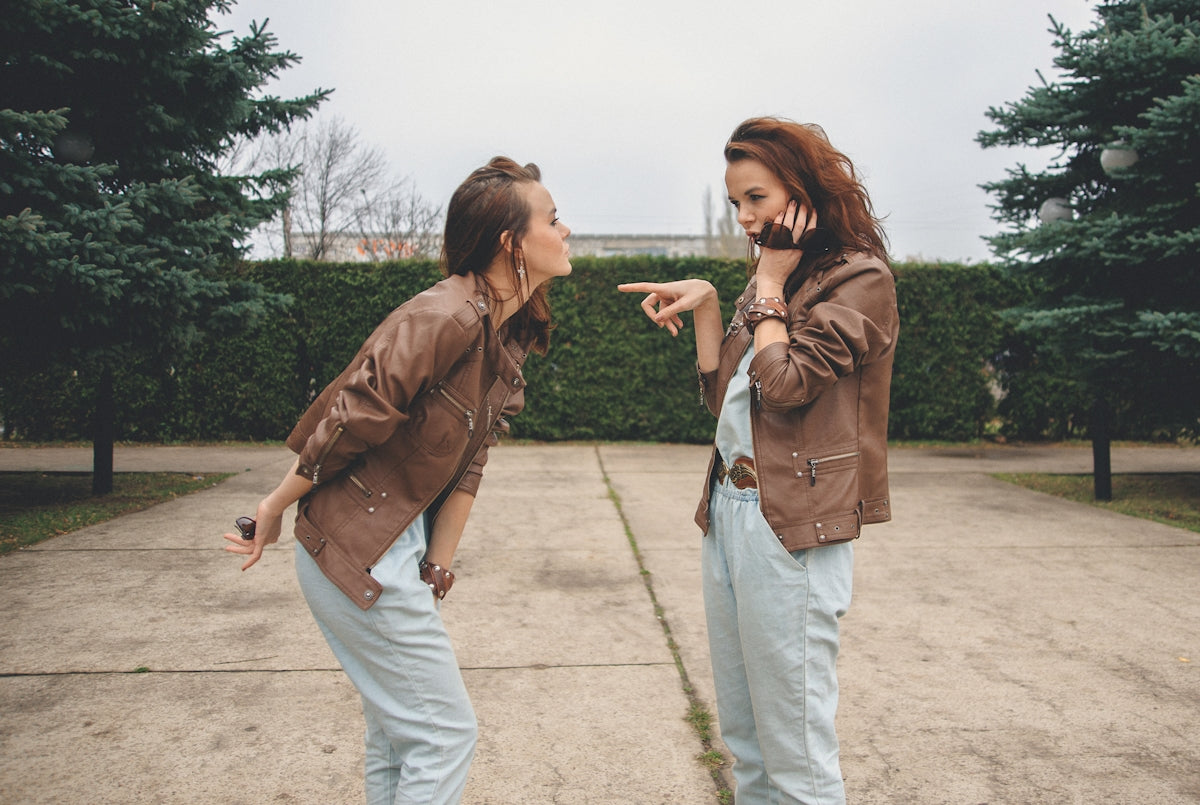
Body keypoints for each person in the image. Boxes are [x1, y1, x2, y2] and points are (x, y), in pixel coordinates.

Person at [223, 156, 571, 805]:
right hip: (357, 544)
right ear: (511, 241)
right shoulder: (445, 316)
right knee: (444, 734)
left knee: (399, 736)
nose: (566, 229)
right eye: (552, 219)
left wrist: (436, 565)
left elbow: (471, 458)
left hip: (397, 549)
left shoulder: (503, 333)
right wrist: (272, 505)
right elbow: (350, 417)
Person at [619, 117, 898, 804]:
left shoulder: (859, 280)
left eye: (756, 198)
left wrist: (768, 285)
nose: (744, 217)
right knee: (745, 744)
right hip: (729, 512)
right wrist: (716, 304)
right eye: (736, 201)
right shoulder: (771, 279)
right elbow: (726, 401)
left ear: (802, 194)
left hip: (792, 528)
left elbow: (788, 385)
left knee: (797, 754)